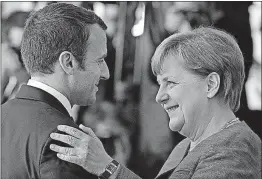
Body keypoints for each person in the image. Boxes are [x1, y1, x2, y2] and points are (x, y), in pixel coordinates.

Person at [49, 26, 261, 179]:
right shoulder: (185, 145)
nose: (159, 96)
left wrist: (108, 167)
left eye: (170, 82)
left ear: (211, 84)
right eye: (159, 84)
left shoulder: (234, 150)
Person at [1, 3, 109, 179]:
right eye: (99, 61)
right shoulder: (68, 143)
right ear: (68, 62)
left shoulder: (3, 114)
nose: (106, 73)